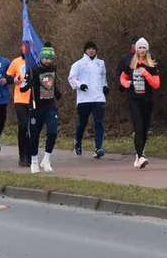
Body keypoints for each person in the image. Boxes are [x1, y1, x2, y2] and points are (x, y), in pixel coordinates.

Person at [19, 42, 61, 173]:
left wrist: (56, 91)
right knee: (34, 135)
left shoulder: (53, 68)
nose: (49, 61)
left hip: (50, 106)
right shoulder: (32, 70)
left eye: (51, 59)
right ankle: (34, 160)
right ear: (41, 58)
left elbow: (51, 84)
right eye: (46, 58)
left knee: (53, 131)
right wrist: (29, 83)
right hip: (36, 107)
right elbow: (22, 88)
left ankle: (47, 158)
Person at [119, 37, 161, 168]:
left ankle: (139, 156)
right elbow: (122, 77)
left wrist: (146, 73)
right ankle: (140, 156)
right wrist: (126, 83)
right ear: (136, 50)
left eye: (144, 48)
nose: (142, 50)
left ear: (147, 49)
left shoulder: (152, 65)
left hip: (147, 100)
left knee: (144, 128)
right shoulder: (130, 63)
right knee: (138, 127)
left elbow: (156, 84)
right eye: (140, 48)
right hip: (133, 100)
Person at [67, 40, 109, 158]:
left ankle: (98, 147)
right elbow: (71, 78)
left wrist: (105, 86)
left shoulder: (101, 63)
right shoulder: (78, 64)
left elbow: (103, 77)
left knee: (99, 122)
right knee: (83, 122)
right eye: (89, 49)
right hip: (84, 98)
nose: (91, 51)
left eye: (93, 49)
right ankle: (78, 143)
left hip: (98, 97)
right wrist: (80, 85)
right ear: (85, 51)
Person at [6, 42, 33, 167]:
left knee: (32, 128)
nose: (25, 49)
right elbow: (8, 77)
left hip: (33, 99)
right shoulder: (16, 62)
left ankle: (31, 155)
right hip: (20, 99)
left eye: (27, 48)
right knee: (23, 126)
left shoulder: (35, 62)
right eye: (23, 47)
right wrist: (13, 79)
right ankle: (22, 155)